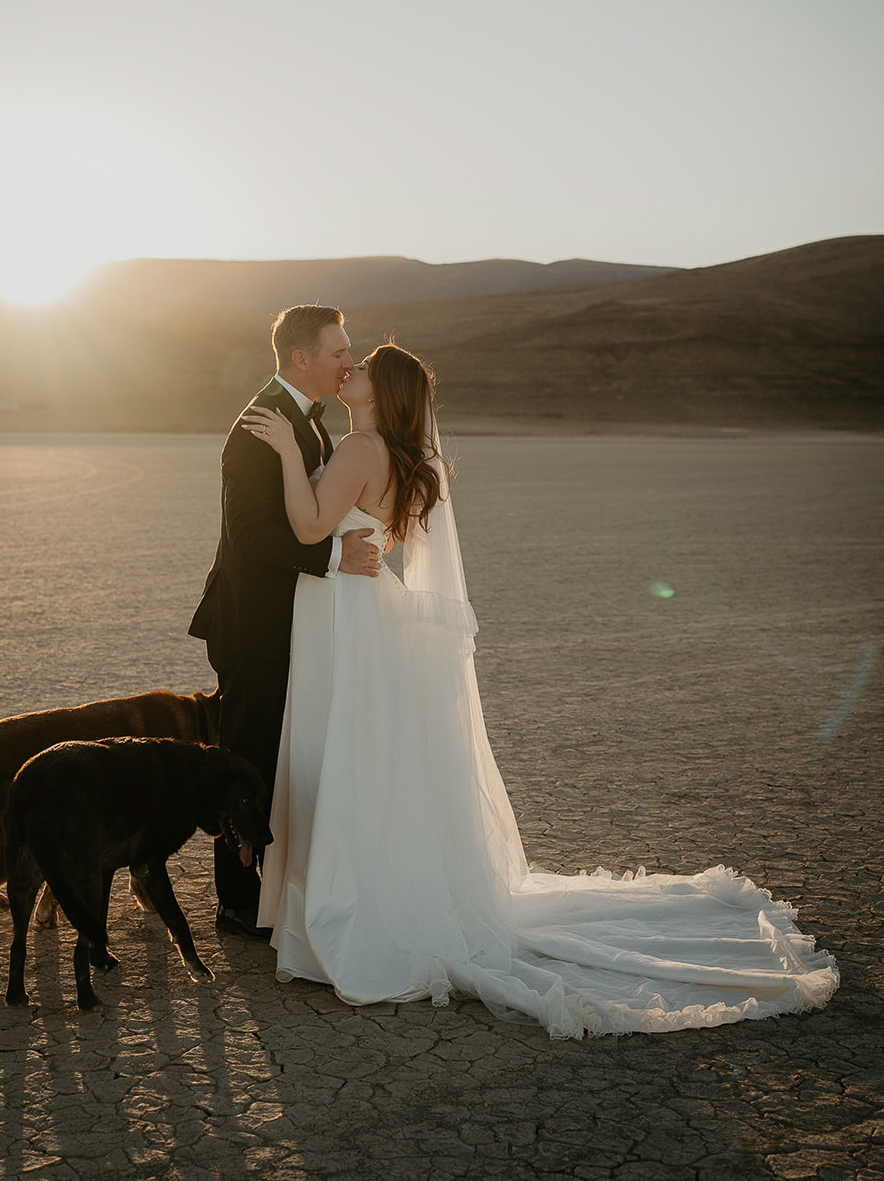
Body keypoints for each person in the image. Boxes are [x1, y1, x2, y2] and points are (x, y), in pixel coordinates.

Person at [242, 343, 839, 1037]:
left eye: (365, 366)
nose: (352, 370)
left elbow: (312, 527)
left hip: (349, 614)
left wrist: (287, 450)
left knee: (348, 748)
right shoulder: (396, 457)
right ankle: (358, 892)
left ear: (387, 392)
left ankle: (344, 909)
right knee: (370, 756)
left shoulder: (359, 450)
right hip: (370, 611)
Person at [189, 304, 382, 939]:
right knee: (246, 761)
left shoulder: (309, 423)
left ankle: (273, 889)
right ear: (301, 358)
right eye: (337, 352)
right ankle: (237, 903)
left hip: (287, 621)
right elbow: (248, 535)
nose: (347, 362)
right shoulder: (259, 426)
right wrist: (332, 554)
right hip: (252, 625)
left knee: (276, 756)